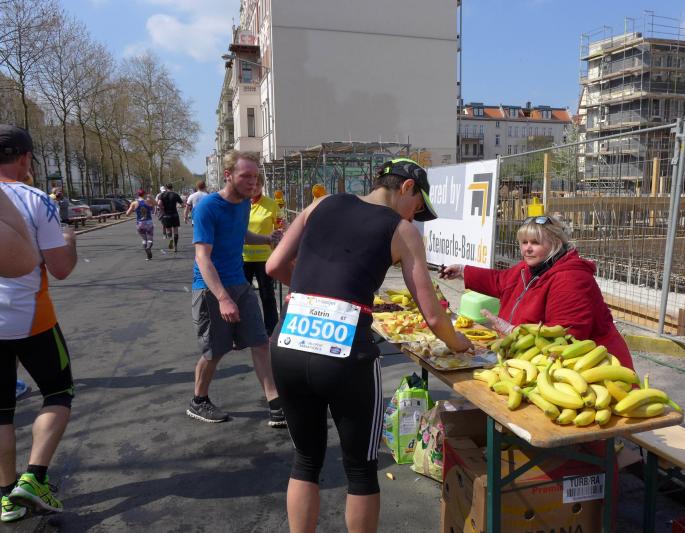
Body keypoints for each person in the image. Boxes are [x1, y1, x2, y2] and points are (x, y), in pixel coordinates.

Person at [266, 157, 472, 533]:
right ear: (406, 187)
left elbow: (274, 265)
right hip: (346, 357)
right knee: (360, 469)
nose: (415, 216)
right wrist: (459, 343)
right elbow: (433, 315)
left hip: (288, 343)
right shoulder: (402, 230)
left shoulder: (320, 204)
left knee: (305, 460)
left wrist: (316, 296)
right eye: (417, 207)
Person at [0, 125, 78, 522]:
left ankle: (6, 496)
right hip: (30, 318)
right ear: (26, 158)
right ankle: (34, 478)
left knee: (1, 411)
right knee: (58, 392)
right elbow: (61, 268)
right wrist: (69, 237)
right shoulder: (35, 199)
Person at [441, 214, 633, 369]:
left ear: (555, 243)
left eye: (535, 242)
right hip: (541, 360)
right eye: (524, 242)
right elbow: (500, 281)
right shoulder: (529, 268)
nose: (528, 249)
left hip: (598, 369)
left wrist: (514, 332)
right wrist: (463, 271)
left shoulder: (571, 278)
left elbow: (566, 336)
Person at [188, 150, 283, 427]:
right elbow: (202, 257)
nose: (253, 182)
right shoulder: (208, 207)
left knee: (260, 342)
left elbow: (241, 234)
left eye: (255, 176)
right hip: (211, 289)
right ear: (228, 175)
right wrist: (222, 298)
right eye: (246, 176)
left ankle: (275, 404)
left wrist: (266, 239)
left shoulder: (243, 204)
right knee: (215, 351)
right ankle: (199, 401)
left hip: (240, 284)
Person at [242, 175, 282, 338]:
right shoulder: (240, 203)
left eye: (258, 184)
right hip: (242, 257)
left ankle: (271, 330)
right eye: (252, 184)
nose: (255, 187)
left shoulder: (271, 204)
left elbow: (279, 227)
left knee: (267, 295)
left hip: (264, 258)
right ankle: (242, 330)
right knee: (242, 296)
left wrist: (280, 235)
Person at [126, 189, 156, 260]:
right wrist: (151, 198)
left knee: (144, 239)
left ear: (138, 195)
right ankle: (149, 247)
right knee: (150, 238)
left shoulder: (134, 203)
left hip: (140, 223)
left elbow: (127, 214)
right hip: (148, 222)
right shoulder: (148, 201)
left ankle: (147, 254)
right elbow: (156, 204)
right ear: (144, 194)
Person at [157, 183, 183, 252]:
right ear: (172, 187)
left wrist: (162, 208)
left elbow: (159, 204)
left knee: (168, 230)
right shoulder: (175, 195)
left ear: (166, 188)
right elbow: (182, 204)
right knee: (175, 230)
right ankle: (175, 246)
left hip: (166, 215)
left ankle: (170, 239)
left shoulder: (162, 195)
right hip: (175, 215)